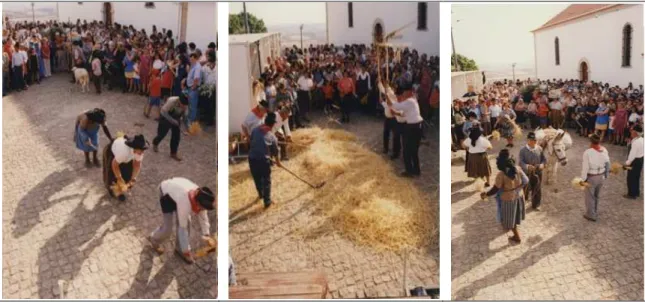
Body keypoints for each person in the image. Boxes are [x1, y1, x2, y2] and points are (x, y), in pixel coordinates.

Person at [148, 177, 215, 264]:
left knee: (187, 223)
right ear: (198, 203)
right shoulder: (185, 203)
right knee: (167, 228)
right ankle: (153, 238)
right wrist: (187, 251)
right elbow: (182, 230)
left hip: (177, 195)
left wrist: (206, 234)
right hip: (166, 196)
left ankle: (179, 250)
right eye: (202, 208)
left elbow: (203, 217)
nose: (203, 210)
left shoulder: (202, 197)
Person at [481, 149, 528, 243]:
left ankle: (517, 236)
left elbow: (495, 189)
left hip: (508, 199)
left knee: (510, 218)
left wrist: (485, 194)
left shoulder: (501, 175)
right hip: (519, 195)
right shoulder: (518, 168)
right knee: (516, 213)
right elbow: (526, 181)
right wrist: (519, 189)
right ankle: (514, 226)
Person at [387, 83, 423, 177]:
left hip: (412, 127)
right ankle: (416, 170)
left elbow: (395, 105)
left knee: (407, 150)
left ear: (409, 92)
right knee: (413, 150)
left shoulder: (409, 101)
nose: (403, 94)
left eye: (404, 92)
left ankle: (409, 171)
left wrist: (387, 97)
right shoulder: (413, 100)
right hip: (417, 126)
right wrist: (396, 112)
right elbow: (403, 114)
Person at [248, 112, 281, 208]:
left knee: (257, 178)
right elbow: (275, 152)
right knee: (266, 180)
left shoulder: (255, 130)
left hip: (252, 159)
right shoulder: (272, 137)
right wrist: (278, 162)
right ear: (273, 124)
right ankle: (267, 201)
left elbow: (252, 141)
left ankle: (261, 194)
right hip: (263, 161)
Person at [103, 134, 148, 202]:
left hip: (127, 157)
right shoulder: (123, 153)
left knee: (127, 174)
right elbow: (114, 165)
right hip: (113, 153)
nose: (142, 153)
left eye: (143, 151)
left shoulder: (139, 152)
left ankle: (121, 190)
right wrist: (119, 178)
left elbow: (137, 165)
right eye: (141, 151)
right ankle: (112, 190)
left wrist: (133, 179)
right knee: (111, 175)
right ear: (134, 148)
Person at [580, 133, 610, 222]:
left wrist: (582, 179)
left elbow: (585, 167)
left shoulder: (588, 152)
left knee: (590, 197)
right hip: (601, 177)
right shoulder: (604, 150)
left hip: (592, 177)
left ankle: (591, 215)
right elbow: (608, 163)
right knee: (597, 196)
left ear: (591, 142)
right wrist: (606, 175)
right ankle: (594, 211)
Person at [152, 94, 189, 161]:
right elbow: (163, 112)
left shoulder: (185, 105)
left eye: (184, 105)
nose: (183, 106)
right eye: (182, 104)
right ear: (179, 101)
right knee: (161, 134)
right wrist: (172, 121)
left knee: (176, 136)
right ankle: (155, 143)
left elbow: (185, 117)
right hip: (165, 117)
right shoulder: (172, 101)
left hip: (176, 118)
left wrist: (187, 128)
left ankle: (173, 153)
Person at [519, 132, 546, 210]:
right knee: (525, 189)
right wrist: (527, 166)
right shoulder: (523, 150)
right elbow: (521, 162)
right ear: (528, 140)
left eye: (534, 140)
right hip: (526, 173)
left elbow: (543, 159)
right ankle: (523, 204)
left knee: (537, 188)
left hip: (538, 172)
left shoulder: (539, 148)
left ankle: (536, 204)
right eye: (531, 140)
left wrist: (542, 164)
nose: (533, 142)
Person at [625, 125, 643, 199]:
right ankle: (636, 192)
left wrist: (627, 163)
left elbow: (632, 155)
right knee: (636, 177)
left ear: (635, 132)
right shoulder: (641, 139)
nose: (630, 132)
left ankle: (631, 194)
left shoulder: (636, 142)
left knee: (631, 177)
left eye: (632, 130)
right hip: (640, 160)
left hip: (634, 161)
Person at [185, 53, 202, 128]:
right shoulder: (193, 65)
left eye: (191, 59)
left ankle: (191, 123)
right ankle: (190, 120)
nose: (190, 60)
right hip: (190, 87)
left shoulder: (197, 67)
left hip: (193, 88)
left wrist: (193, 87)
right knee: (191, 105)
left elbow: (196, 78)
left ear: (195, 58)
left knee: (192, 106)